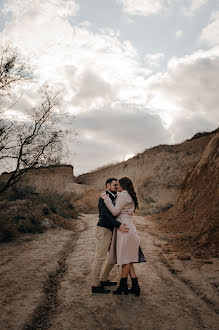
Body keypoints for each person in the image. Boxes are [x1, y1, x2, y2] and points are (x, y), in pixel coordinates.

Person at [101, 177, 146, 296]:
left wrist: (106, 200)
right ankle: (135, 286)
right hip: (129, 227)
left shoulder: (124, 195)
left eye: (118, 184)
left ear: (123, 185)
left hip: (124, 229)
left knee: (126, 259)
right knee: (128, 258)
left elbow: (115, 212)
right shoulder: (128, 195)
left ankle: (123, 286)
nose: (117, 186)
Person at [91, 177, 129, 294]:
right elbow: (105, 215)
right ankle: (95, 285)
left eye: (117, 185)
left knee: (114, 256)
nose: (117, 187)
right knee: (100, 257)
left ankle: (103, 278)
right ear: (108, 186)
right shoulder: (103, 197)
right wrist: (118, 225)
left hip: (111, 231)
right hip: (103, 229)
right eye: (114, 185)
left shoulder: (116, 197)